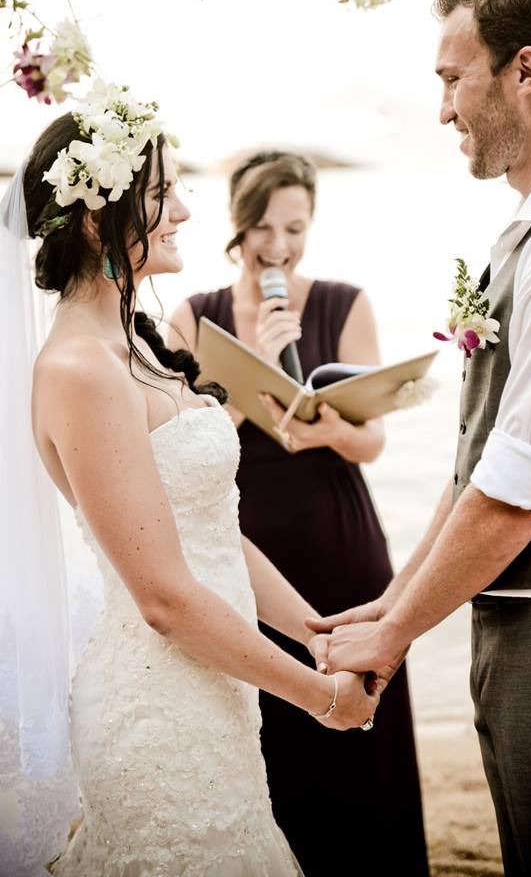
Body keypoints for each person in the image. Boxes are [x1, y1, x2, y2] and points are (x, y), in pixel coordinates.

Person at [308, 0, 531, 877]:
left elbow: (519, 491)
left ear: (525, 71)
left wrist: (396, 633)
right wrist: (392, 605)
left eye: (455, 79)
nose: (445, 108)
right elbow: (476, 466)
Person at [6, 84, 379, 876]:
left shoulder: (135, 347)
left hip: (217, 691)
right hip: (160, 707)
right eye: (160, 194)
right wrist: (320, 700)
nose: (182, 211)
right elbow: (164, 597)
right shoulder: (79, 368)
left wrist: (315, 633)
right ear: (100, 218)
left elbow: (212, 532)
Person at [169, 151, 429, 876]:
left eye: (295, 228)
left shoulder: (346, 302)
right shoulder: (195, 316)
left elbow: (371, 441)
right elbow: (190, 442)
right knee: (272, 740)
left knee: (358, 737)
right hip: (247, 548)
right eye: (264, 228)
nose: (279, 245)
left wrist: (324, 429)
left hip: (339, 539)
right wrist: (255, 360)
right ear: (238, 226)